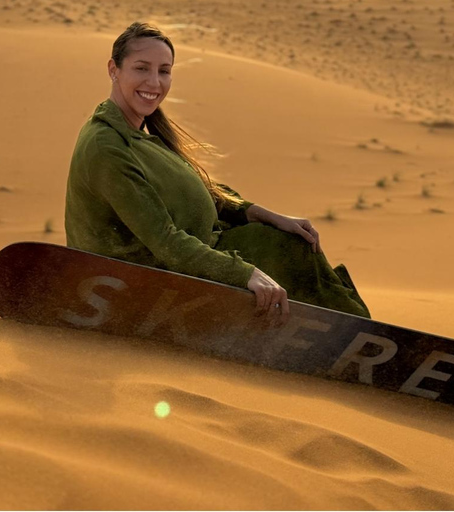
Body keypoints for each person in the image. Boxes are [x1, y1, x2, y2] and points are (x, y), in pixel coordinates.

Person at [65, 22, 371, 327]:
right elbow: (165, 240)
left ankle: (353, 326)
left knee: (293, 240)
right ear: (113, 69)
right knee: (288, 252)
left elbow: (201, 191)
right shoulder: (106, 146)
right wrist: (245, 273)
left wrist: (263, 214)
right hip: (153, 280)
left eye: (164, 71)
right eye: (141, 69)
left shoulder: (141, 133)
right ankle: (350, 331)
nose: (154, 83)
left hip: (199, 253)